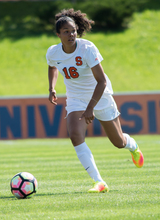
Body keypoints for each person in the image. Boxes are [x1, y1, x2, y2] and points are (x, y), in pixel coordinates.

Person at [46, 8, 144, 193]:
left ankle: (133, 145)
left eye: (73, 30)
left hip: (100, 95)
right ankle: (99, 182)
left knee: (118, 142)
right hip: (76, 98)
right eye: (66, 32)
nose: (71, 34)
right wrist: (52, 87)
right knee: (75, 135)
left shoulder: (87, 48)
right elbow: (52, 66)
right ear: (58, 34)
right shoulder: (53, 52)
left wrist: (91, 108)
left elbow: (102, 81)